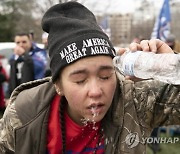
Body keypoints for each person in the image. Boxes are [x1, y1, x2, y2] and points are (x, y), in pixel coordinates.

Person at [0, 2, 179, 154]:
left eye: (105, 76)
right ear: (58, 85)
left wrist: (172, 66)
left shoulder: (135, 100)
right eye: (80, 80)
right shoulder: (24, 114)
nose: (95, 91)